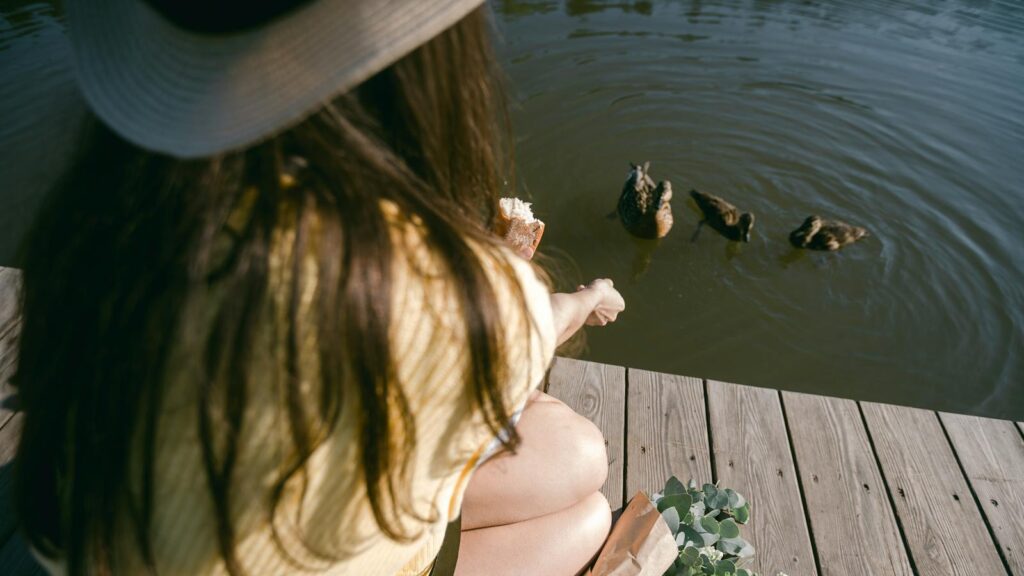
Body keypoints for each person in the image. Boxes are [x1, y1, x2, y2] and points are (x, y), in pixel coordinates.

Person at [13, 1, 626, 575]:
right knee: (586, 483)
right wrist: (587, 296)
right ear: (428, 67)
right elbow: (533, 326)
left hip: (110, 545)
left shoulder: (100, 218)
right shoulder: (431, 284)